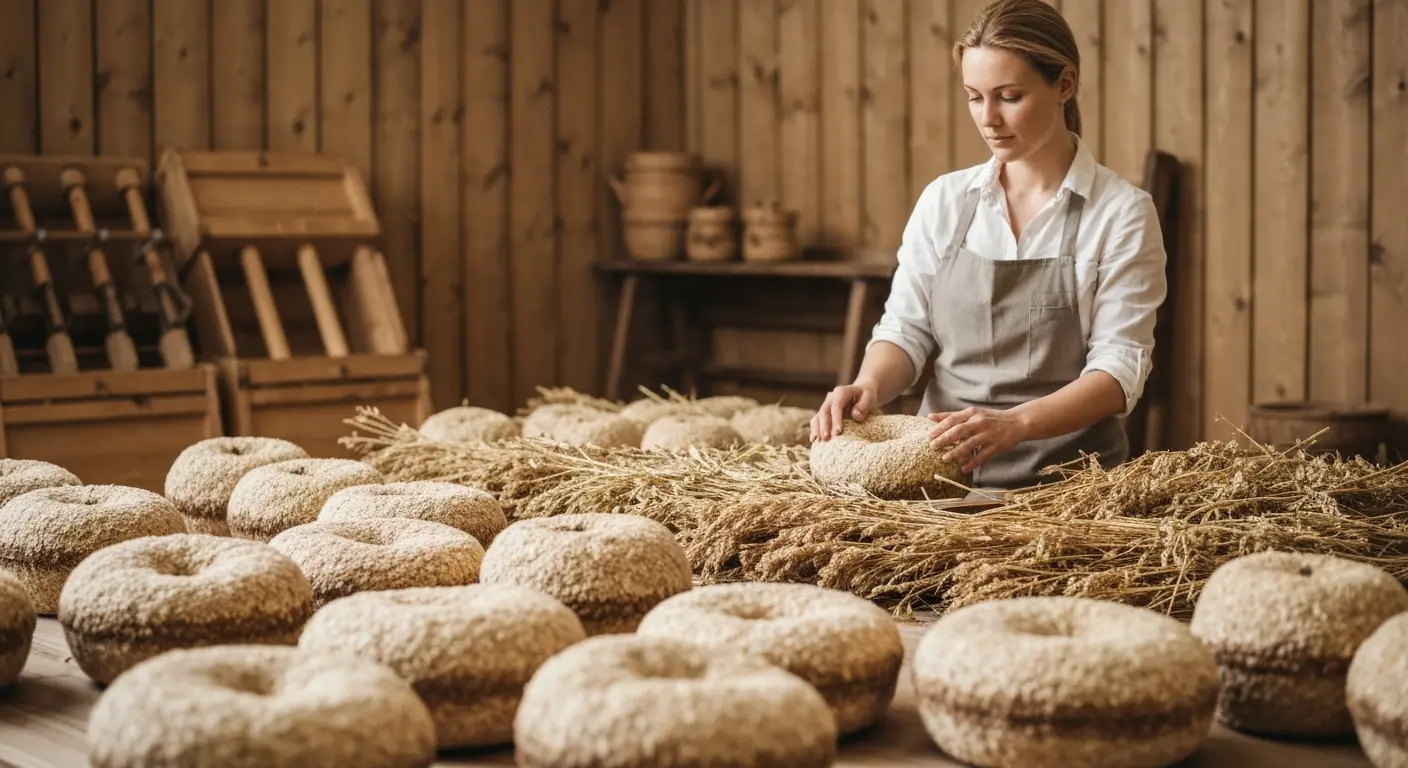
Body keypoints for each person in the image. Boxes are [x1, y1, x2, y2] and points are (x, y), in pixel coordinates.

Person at [809, 0, 1167, 492]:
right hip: (938, 484)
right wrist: (869, 384)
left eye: (1009, 96)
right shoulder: (946, 201)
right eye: (975, 97)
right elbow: (907, 329)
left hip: (1072, 493)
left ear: (1064, 84)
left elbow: (1118, 369)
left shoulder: (1121, 212)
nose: (989, 118)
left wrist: (1015, 424)